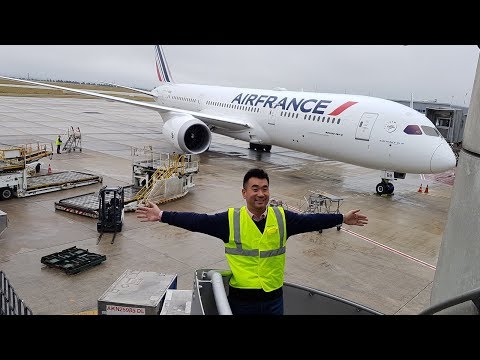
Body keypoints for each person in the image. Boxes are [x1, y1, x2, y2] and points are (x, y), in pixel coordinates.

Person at [136, 168, 368, 315]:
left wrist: (342, 218)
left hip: (274, 300)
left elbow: (311, 221)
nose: (261, 193)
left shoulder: (282, 218)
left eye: (265, 189)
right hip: (242, 303)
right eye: (255, 188)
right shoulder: (230, 220)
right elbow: (198, 221)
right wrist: (163, 216)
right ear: (244, 193)